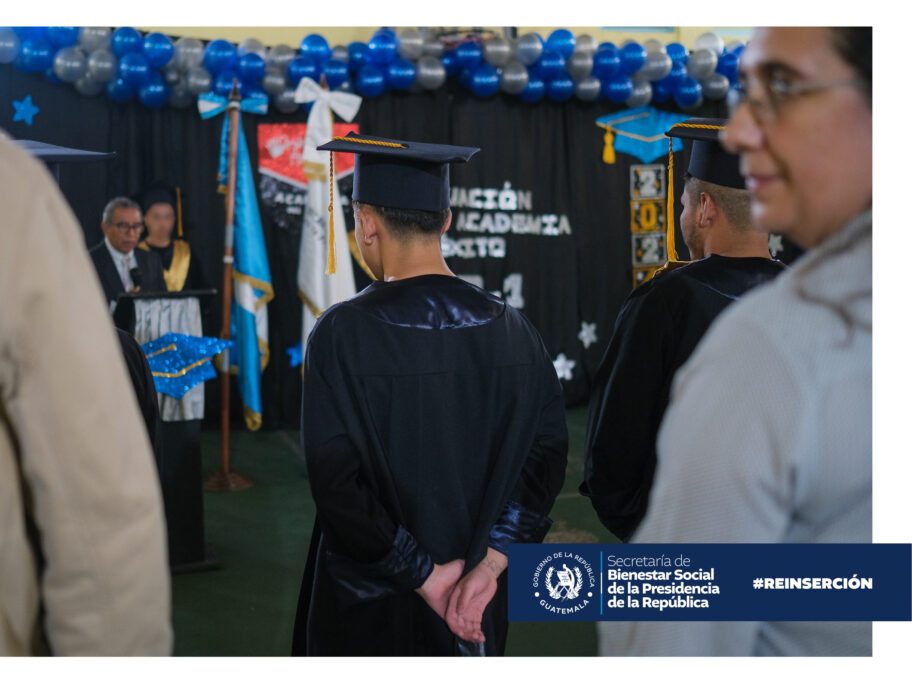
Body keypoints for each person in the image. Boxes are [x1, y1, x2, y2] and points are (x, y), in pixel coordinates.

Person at [601, 27, 872, 656]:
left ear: (701, 209)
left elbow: (615, 464)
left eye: (782, 92)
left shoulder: (742, 335)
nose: (751, 129)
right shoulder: (840, 305)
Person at [291, 132, 568, 656]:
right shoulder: (514, 329)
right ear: (445, 220)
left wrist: (424, 575)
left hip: (369, 600)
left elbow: (336, 484)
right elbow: (546, 457)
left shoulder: (341, 334)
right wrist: (489, 564)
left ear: (366, 223)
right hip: (475, 600)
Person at [0, 105, 172, 655]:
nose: (136, 234)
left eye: (141, 227)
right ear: (106, 228)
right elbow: (98, 495)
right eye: (127, 227)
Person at [580, 118, 786, 541]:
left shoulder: (666, 301)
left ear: (706, 208)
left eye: (685, 206)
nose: (685, 216)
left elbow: (614, 452)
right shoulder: (813, 299)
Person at [88, 196, 167, 311]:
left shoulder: (152, 260)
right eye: (123, 226)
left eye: (136, 226)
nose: (131, 233)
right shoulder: (89, 262)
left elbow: (164, 304)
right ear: (105, 228)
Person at [136, 182, 207, 292]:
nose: (162, 223)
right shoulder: (135, 252)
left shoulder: (186, 252)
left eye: (168, 217)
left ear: (174, 219)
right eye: (156, 217)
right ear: (145, 219)